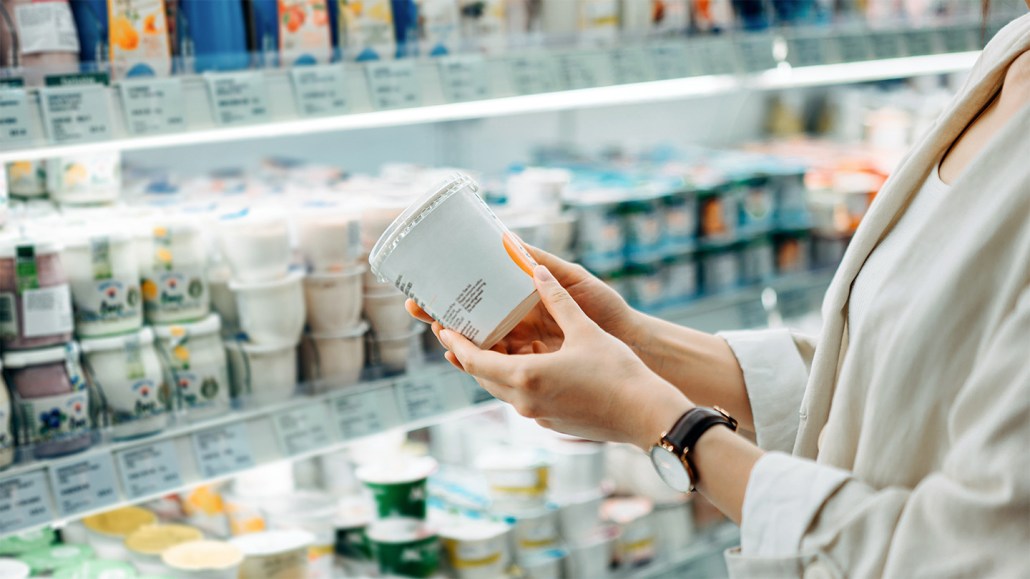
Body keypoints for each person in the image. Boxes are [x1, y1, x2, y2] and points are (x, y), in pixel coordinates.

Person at [408, 9, 1030, 579]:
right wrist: (638, 344)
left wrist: (660, 423)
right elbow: (898, 382)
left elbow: (968, 555)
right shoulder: (1012, 48)